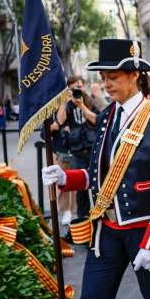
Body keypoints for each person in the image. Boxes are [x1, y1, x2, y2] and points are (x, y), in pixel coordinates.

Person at [42, 39, 150, 299]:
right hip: (106, 231)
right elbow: (99, 173)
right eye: (104, 78)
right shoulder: (106, 117)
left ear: (134, 75)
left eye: (113, 77)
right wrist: (67, 177)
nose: (106, 84)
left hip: (144, 229)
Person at [57, 76, 99, 220]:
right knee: (80, 189)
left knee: (98, 185)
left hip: (92, 150)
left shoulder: (88, 101)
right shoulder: (67, 104)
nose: (77, 90)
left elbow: (96, 120)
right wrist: (64, 100)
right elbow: (60, 121)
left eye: (80, 86)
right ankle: (82, 220)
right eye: (74, 87)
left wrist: (81, 105)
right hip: (76, 152)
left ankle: (98, 216)